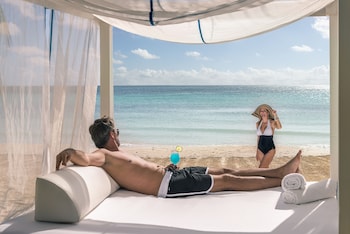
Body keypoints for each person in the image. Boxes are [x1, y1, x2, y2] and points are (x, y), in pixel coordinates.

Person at [56, 116, 300, 198]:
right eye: (117, 131)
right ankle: (282, 180)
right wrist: (69, 152)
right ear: (111, 134)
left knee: (227, 171)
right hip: (170, 185)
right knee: (226, 180)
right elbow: (85, 159)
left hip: (172, 173)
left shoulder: (115, 152)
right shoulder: (103, 154)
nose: (119, 134)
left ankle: (278, 171)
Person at [252, 104, 282, 168]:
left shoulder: (271, 122)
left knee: (262, 167)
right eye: (261, 111)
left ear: (268, 113)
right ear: (259, 113)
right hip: (260, 148)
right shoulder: (258, 123)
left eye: (264, 111)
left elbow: (279, 127)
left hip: (270, 148)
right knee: (264, 168)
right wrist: (257, 151)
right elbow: (258, 137)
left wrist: (275, 115)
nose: (262, 113)